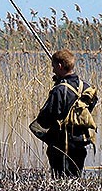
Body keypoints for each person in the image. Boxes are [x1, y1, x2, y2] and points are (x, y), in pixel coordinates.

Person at [29, 49, 97, 177]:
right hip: (80, 143)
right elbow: (89, 108)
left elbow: (44, 119)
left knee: (60, 180)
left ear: (60, 66)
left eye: (53, 66)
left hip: (61, 146)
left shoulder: (59, 90)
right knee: (75, 179)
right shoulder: (86, 88)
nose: (53, 70)